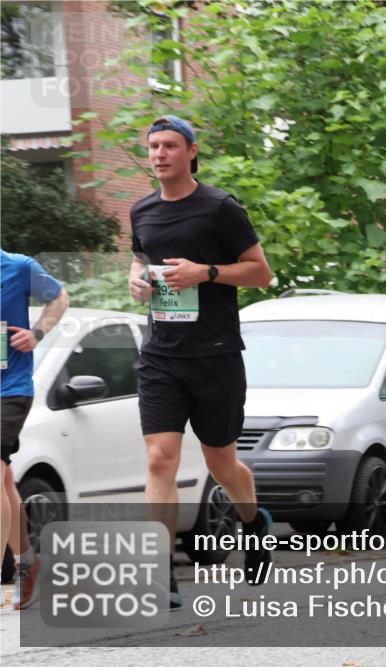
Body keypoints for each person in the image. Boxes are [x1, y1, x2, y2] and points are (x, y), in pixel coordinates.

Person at [128, 115, 273, 608]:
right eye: (152, 146)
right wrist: (136, 280)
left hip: (214, 355)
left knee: (222, 463)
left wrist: (205, 272)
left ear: (191, 151)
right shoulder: (142, 210)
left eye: (169, 145)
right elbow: (139, 257)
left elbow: (260, 274)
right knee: (158, 458)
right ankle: (160, 571)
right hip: (161, 355)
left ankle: (254, 524)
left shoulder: (219, 208)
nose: (159, 154)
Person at [1, 249, 69, 610]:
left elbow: (59, 296)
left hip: (9, 390)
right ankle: (28, 563)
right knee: (5, 481)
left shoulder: (18, 267)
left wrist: (36, 333)